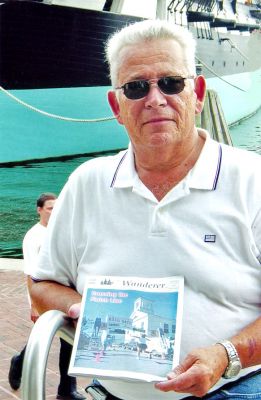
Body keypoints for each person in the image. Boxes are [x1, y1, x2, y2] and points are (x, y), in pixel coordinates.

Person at [29, 19, 261, 400]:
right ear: (116, 105)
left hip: (233, 387)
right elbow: (41, 283)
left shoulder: (253, 179)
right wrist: (81, 309)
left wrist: (227, 354)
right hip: (111, 392)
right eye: (136, 87)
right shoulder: (87, 184)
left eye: (172, 83)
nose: (155, 99)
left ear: (198, 92)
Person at [8, 193, 85, 400]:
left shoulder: (62, 231)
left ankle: (66, 389)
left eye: (57, 207)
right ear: (39, 210)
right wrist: (33, 305)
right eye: (50, 208)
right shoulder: (33, 237)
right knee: (55, 337)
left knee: (68, 341)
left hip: (68, 293)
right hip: (47, 296)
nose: (55, 211)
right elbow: (30, 274)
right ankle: (21, 361)